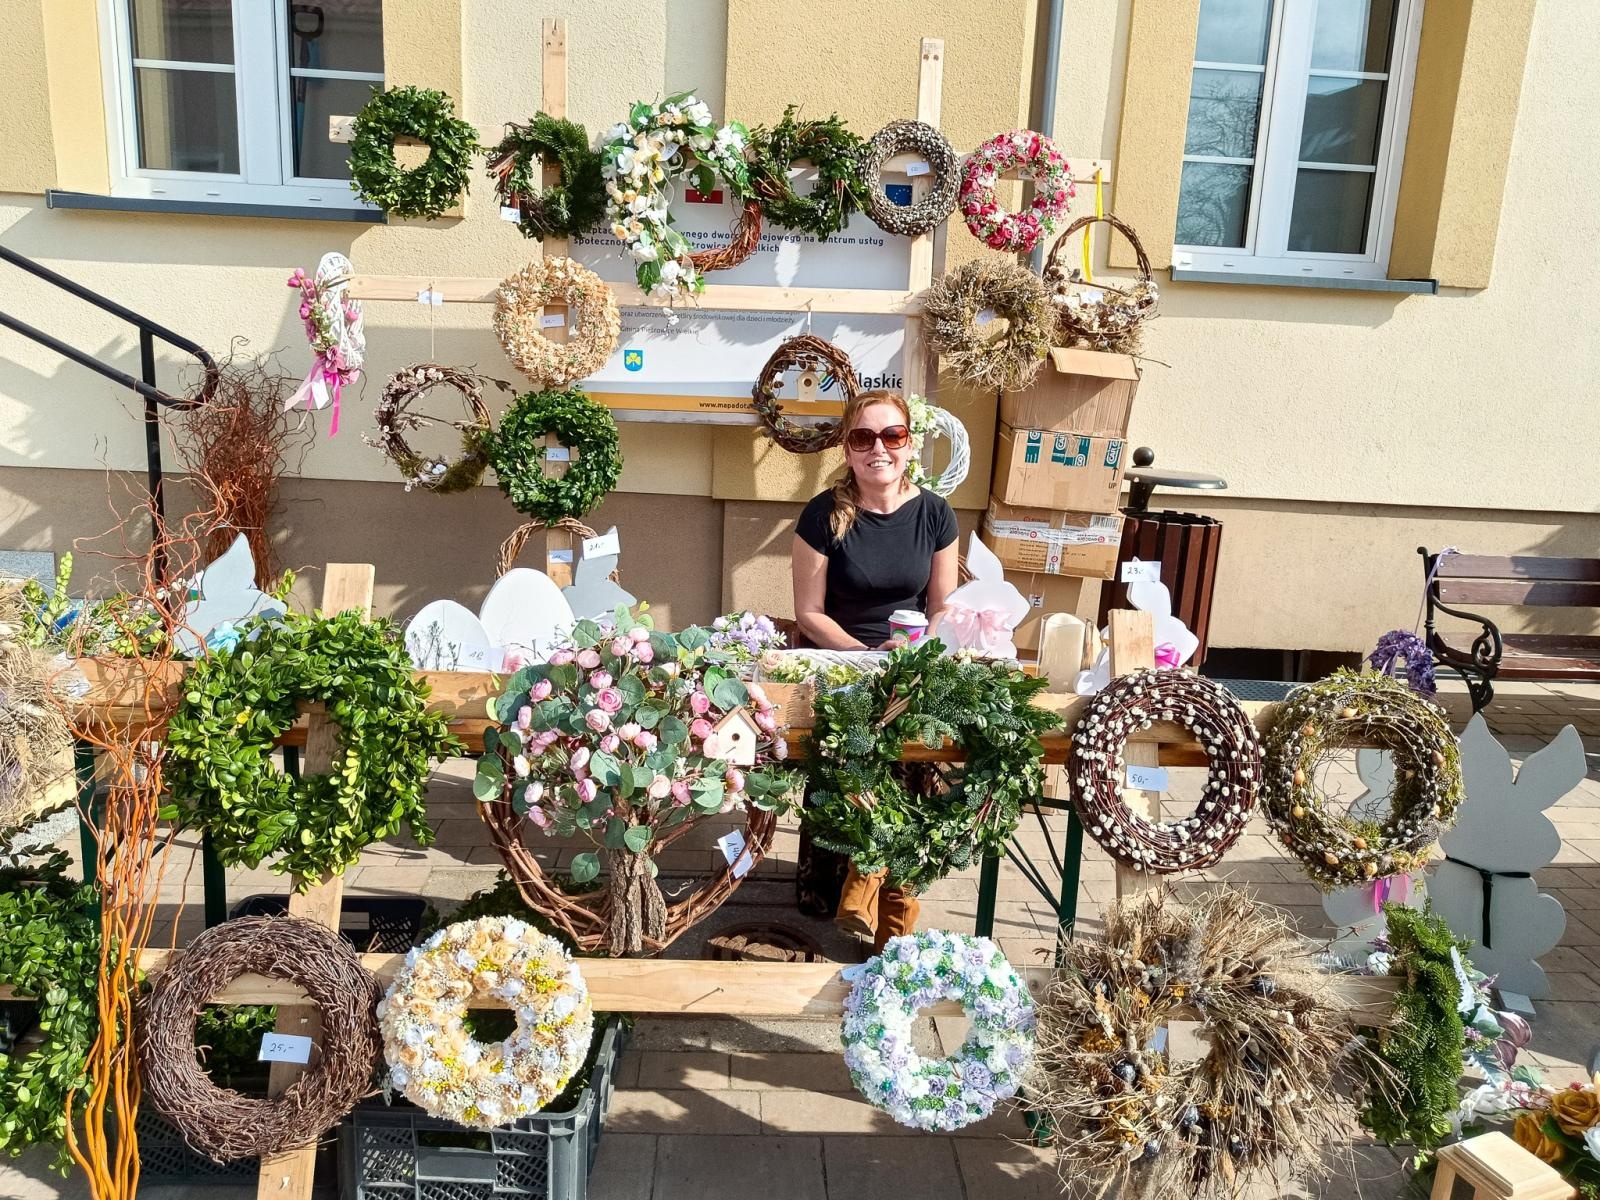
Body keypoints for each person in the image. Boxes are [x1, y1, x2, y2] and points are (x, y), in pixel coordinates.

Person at [791, 389, 959, 950]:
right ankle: (855, 886)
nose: (878, 449)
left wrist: (913, 658)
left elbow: (942, 610)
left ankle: (885, 887)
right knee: (855, 745)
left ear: (910, 444)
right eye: (864, 438)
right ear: (848, 448)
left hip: (909, 663)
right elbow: (809, 614)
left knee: (911, 746)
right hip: (842, 661)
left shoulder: (935, 513)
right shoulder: (823, 514)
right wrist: (864, 660)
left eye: (892, 436)